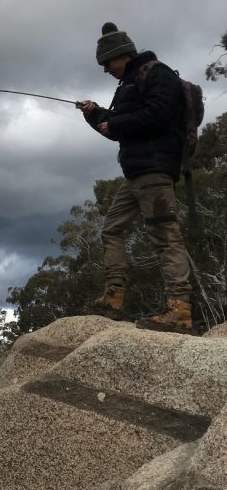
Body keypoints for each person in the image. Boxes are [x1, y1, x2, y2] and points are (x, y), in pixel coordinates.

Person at [76, 22, 193, 334]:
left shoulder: (157, 73)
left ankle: (179, 309)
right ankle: (113, 297)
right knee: (111, 229)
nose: (105, 70)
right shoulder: (128, 84)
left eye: (107, 63)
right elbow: (119, 125)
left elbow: (158, 115)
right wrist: (95, 113)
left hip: (155, 171)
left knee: (165, 237)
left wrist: (116, 125)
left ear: (122, 55)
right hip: (136, 174)